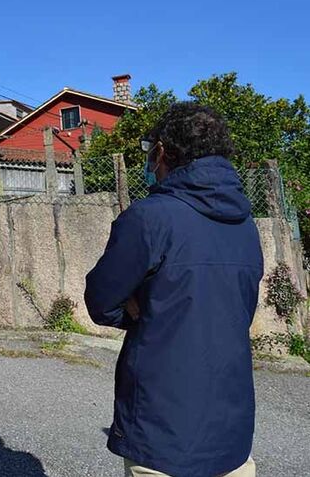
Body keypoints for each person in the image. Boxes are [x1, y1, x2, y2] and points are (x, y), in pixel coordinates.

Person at [85, 102, 263, 477]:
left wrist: (142, 308)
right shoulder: (246, 224)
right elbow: (238, 306)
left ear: (162, 151)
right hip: (232, 432)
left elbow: (101, 300)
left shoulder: (149, 218)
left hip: (162, 430)